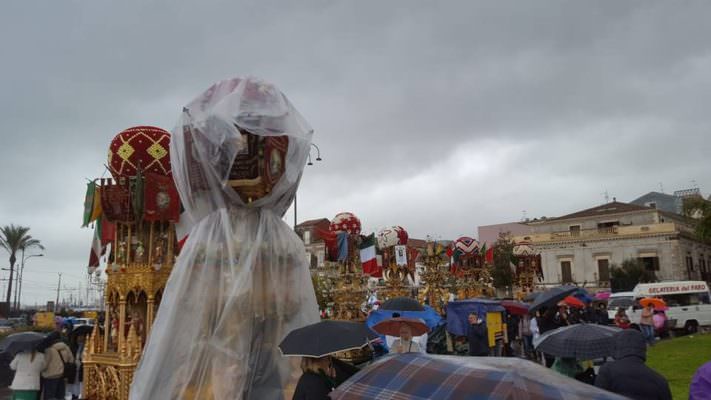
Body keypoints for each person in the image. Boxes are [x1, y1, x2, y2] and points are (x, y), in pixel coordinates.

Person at [595, 329, 672, 400]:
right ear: (643, 349)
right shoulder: (659, 380)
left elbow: (598, 396)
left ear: (616, 347)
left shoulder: (607, 370)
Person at [41, 332, 75, 400]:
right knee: (60, 395)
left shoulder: (49, 349)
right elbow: (71, 360)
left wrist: (40, 369)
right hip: (62, 374)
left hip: (50, 375)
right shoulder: (66, 347)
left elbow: (45, 364)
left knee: (50, 396)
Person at [67, 332, 88, 400]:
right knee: (74, 386)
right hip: (74, 369)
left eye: (82, 336)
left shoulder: (87, 346)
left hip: (82, 369)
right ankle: (74, 396)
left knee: (81, 386)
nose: (80, 338)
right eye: (79, 336)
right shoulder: (74, 346)